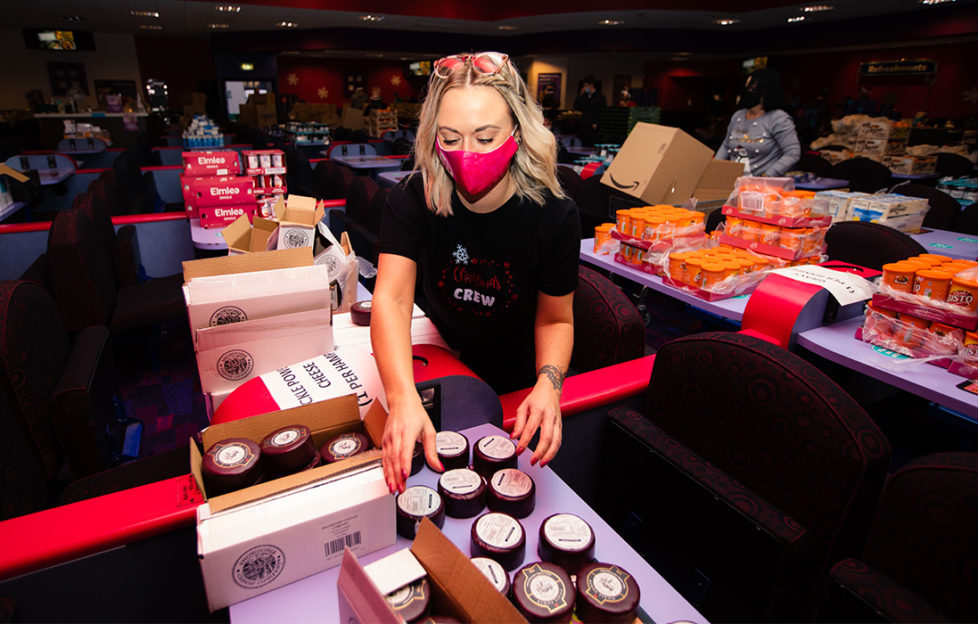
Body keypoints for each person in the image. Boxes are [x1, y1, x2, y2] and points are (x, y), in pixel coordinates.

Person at [372, 51, 580, 494]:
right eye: (451, 138)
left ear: (518, 134)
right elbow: (390, 299)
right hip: (440, 361)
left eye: (485, 138)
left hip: (515, 385)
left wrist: (549, 384)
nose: (467, 154)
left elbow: (556, 318)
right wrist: (401, 396)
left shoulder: (554, 215)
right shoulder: (413, 198)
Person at [716, 68, 801, 177]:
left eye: (751, 88)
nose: (747, 91)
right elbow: (726, 146)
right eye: (746, 87)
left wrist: (768, 175)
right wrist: (715, 168)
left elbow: (792, 153)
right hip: (734, 182)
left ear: (765, 91)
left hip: (762, 185)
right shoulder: (738, 116)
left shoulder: (779, 118)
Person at [573, 76, 604, 147]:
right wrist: (580, 95)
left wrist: (597, 123)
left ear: (591, 85)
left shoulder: (600, 96)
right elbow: (576, 107)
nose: (585, 87)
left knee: (592, 144)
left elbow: (601, 111)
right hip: (584, 124)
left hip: (593, 125)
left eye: (586, 85)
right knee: (583, 143)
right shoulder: (584, 97)